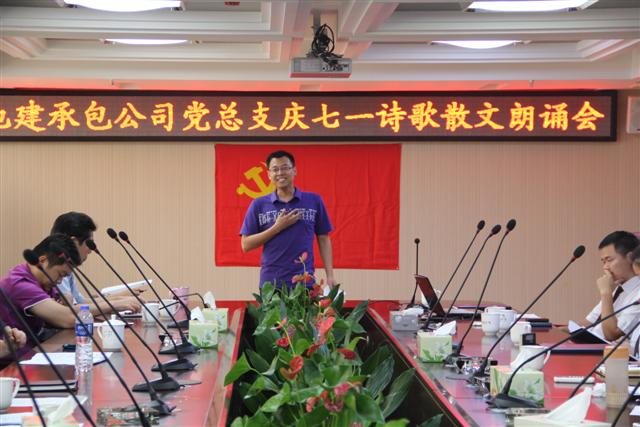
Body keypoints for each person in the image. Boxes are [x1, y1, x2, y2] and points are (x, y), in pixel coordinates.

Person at [240, 150, 336, 289]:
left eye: (285, 168)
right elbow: (245, 245)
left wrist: (330, 275)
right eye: (275, 169)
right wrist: (277, 227)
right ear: (269, 174)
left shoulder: (314, 201)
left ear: (294, 171)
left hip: (304, 282)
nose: (280, 173)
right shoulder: (259, 204)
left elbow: (324, 238)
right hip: (271, 284)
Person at [0, 234, 82, 355]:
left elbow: (60, 314)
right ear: (43, 261)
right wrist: (112, 305)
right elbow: (69, 318)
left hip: (33, 351)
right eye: (60, 274)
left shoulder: (41, 281)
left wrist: (65, 303)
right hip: (14, 360)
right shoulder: (20, 284)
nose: (59, 281)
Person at [51, 212, 142, 316]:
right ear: (74, 242)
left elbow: (80, 301)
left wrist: (120, 298)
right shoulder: (56, 268)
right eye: (89, 244)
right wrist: (115, 304)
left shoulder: (66, 267)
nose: (91, 250)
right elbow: (72, 309)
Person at [580, 231, 640, 341]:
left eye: (609, 260)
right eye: (603, 262)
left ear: (630, 257)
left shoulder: (637, 296)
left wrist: (606, 293)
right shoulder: (618, 289)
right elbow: (587, 323)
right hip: (588, 345)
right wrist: (555, 330)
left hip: (608, 350)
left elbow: (611, 335)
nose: (605, 267)